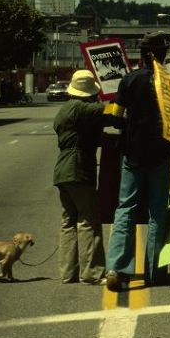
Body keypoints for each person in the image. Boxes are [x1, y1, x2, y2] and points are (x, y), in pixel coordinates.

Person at [105, 32, 170, 291]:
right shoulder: (169, 83)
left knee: (126, 208)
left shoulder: (129, 80)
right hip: (161, 153)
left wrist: (126, 125)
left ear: (143, 55)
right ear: (160, 55)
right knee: (157, 210)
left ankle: (117, 267)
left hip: (133, 153)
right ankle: (154, 270)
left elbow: (116, 117)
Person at [52, 69, 111, 285]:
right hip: (77, 168)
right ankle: (92, 272)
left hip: (62, 170)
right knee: (88, 220)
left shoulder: (65, 110)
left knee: (68, 221)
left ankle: (68, 272)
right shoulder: (81, 108)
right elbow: (103, 111)